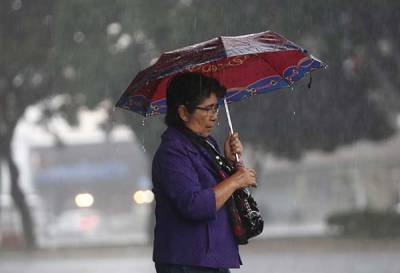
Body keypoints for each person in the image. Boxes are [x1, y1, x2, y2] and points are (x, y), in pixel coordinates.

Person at [152, 72, 257, 273]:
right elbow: (194, 205)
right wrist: (235, 180)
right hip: (187, 260)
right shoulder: (172, 152)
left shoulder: (206, 143)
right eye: (207, 109)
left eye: (216, 107)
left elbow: (214, 187)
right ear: (183, 112)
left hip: (211, 258)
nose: (214, 116)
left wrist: (228, 161)